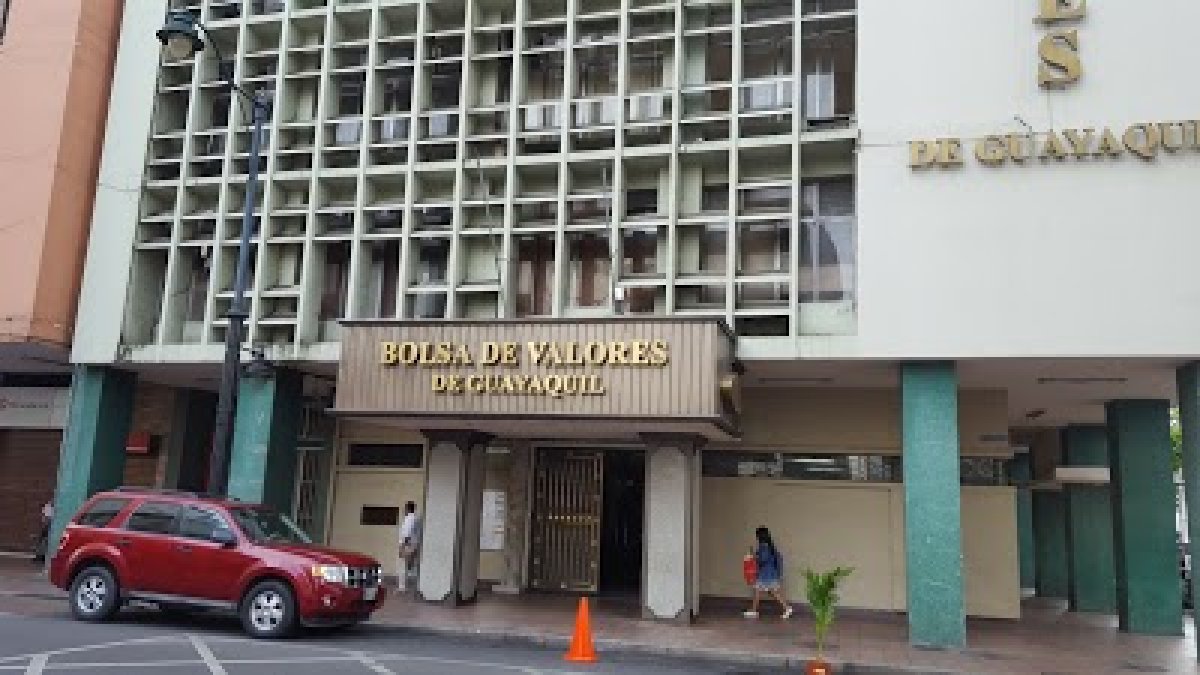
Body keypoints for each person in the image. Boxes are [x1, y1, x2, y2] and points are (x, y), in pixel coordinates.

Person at [744, 526, 793, 619]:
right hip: (770, 574)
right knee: (761, 591)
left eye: (757, 536)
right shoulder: (770, 546)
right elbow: (778, 558)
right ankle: (754, 610)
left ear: (760, 536)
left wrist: (753, 556)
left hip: (766, 575)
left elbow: (762, 559)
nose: (756, 538)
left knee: (769, 592)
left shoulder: (764, 547)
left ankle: (787, 608)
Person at [397, 501, 421, 591]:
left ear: (407, 508)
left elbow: (406, 534)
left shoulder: (408, 519)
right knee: (411, 565)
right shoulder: (416, 518)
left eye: (405, 508)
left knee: (402, 564)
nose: (404, 510)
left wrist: (402, 547)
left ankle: (402, 587)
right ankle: (414, 585)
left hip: (407, 544)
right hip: (414, 544)